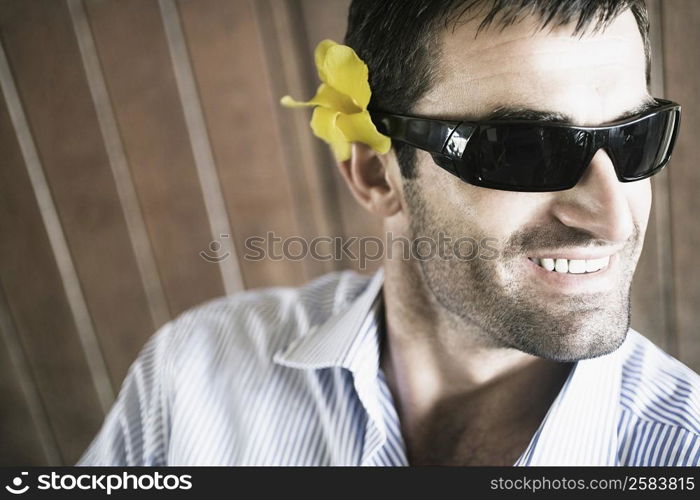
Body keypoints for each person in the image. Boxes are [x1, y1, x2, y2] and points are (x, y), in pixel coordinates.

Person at [77, 0, 699, 466]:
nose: (613, 218)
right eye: (524, 151)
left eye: (633, 138)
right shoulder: (192, 374)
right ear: (376, 172)